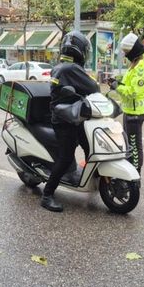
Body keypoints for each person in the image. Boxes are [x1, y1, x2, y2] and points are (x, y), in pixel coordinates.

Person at [40, 31, 100, 212]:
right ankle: (47, 195)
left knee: (90, 148)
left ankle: (93, 179)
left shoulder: (63, 66)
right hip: (65, 121)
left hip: (75, 117)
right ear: (80, 50)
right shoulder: (70, 68)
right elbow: (93, 87)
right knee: (65, 158)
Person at [108, 32, 144, 174]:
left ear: (133, 49)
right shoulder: (137, 60)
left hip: (136, 112)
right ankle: (131, 170)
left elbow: (133, 91)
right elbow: (129, 82)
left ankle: (134, 176)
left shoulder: (143, 66)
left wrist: (117, 86)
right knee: (129, 143)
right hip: (130, 110)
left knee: (134, 146)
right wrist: (118, 81)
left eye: (127, 52)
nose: (125, 55)